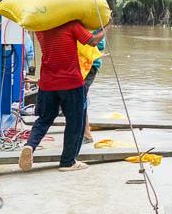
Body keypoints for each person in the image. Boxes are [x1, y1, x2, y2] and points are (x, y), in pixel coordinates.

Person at [18, 21, 107, 172]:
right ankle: (68, 162)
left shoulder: (42, 27)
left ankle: (30, 145)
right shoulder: (72, 26)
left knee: (44, 119)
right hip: (71, 82)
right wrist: (107, 25)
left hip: (47, 83)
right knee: (75, 121)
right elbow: (93, 41)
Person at [82, 34, 106, 144]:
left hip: (90, 65)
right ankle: (84, 133)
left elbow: (99, 44)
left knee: (80, 98)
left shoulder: (95, 24)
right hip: (79, 65)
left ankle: (86, 134)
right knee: (80, 98)